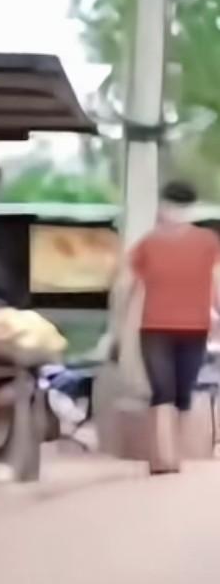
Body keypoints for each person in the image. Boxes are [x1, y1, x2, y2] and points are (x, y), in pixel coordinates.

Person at [124, 180, 220, 474]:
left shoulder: (207, 242)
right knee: (162, 390)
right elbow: (129, 287)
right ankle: (162, 457)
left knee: (181, 392)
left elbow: (216, 280)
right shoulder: (148, 244)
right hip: (155, 327)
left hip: (193, 327)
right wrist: (121, 328)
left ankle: (172, 454)